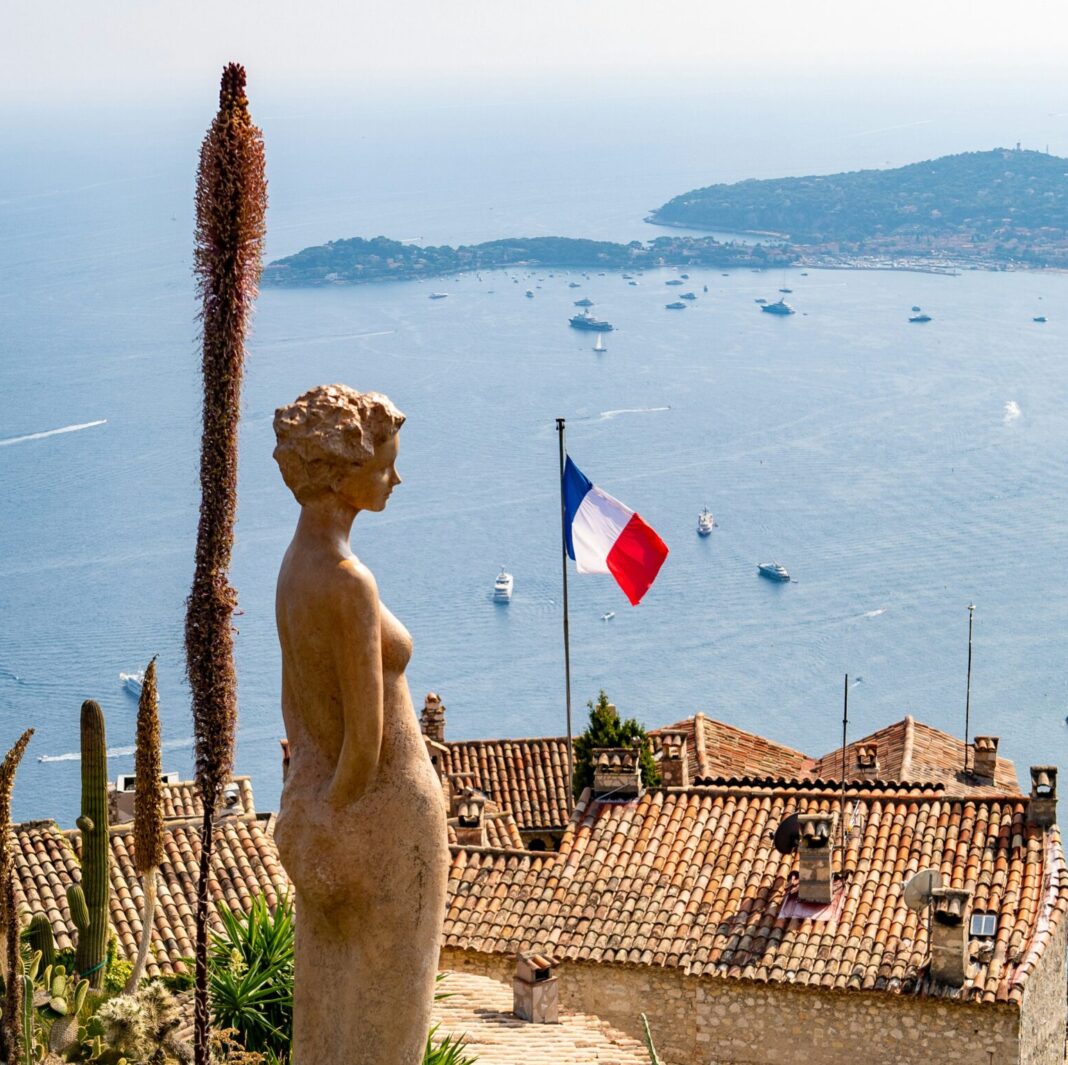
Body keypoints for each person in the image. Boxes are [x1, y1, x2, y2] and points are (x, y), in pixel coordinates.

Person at [272, 384, 448, 1065]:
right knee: (385, 1028)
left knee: (324, 1022)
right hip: (387, 820)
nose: (396, 477)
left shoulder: (294, 567)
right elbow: (366, 744)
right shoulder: (349, 581)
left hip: (321, 808)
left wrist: (308, 809)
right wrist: (339, 815)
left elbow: (297, 703)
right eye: (385, 466)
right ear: (342, 474)